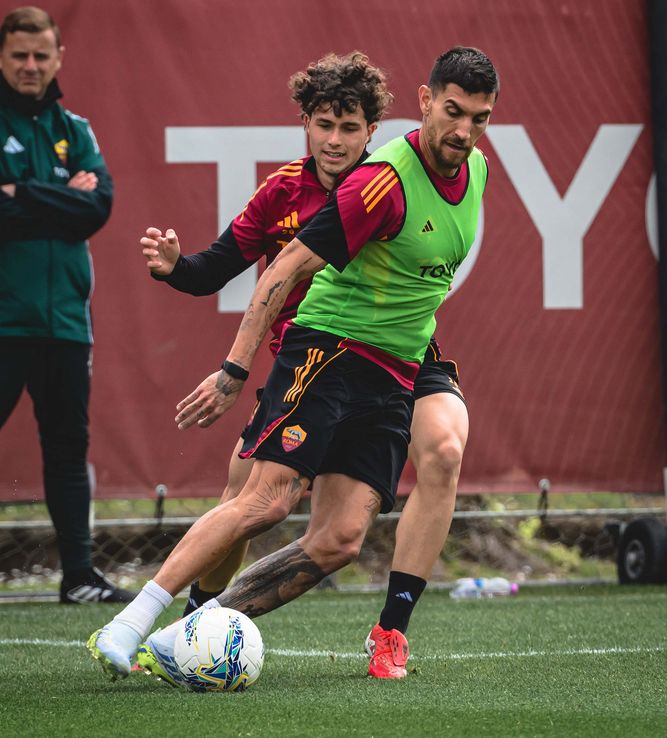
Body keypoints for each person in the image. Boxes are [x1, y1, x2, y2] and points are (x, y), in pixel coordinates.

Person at [87, 46, 499, 682]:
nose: (465, 131)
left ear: (371, 128)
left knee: (340, 537)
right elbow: (272, 270)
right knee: (262, 499)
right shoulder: (368, 184)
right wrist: (231, 368)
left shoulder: (472, 171)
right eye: (454, 113)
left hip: (398, 365)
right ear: (425, 103)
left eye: (479, 118)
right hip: (324, 352)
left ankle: (187, 636)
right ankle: (133, 620)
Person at [0, 6, 135, 604]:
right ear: (3, 58)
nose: (30, 66)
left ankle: (78, 576)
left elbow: (98, 206)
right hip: (5, 320)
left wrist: (20, 193)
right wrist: (60, 196)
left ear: (58, 58)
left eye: (40, 56)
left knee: (66, 447)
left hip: (65, 322)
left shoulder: (73, 128)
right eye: (18, 55)